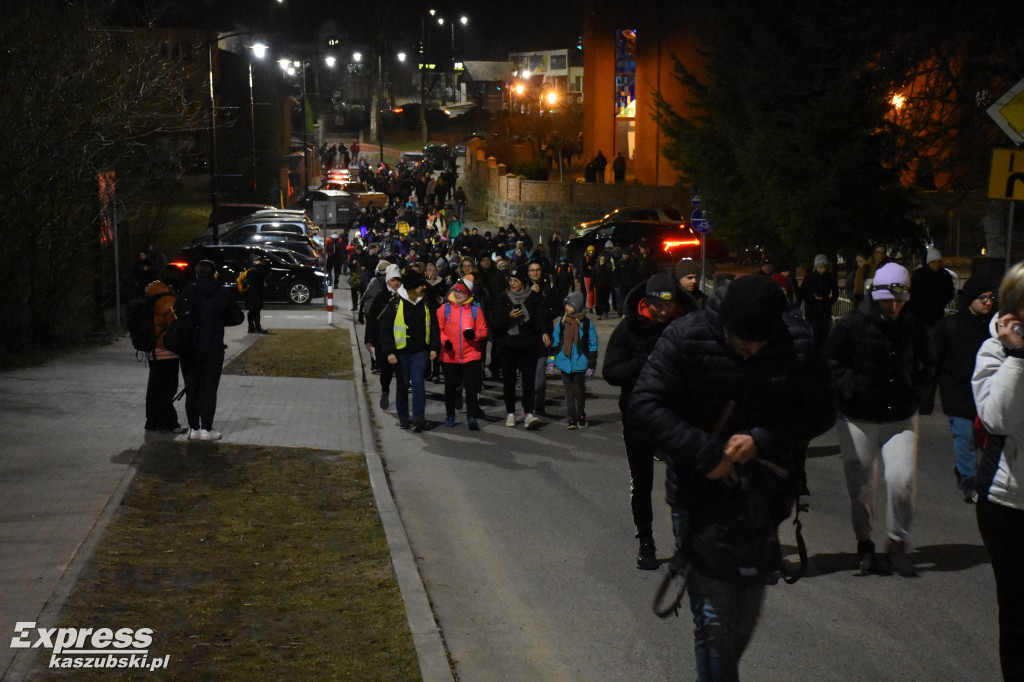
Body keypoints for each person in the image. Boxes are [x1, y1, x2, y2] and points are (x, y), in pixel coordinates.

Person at [630, 275, 835, 680]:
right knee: (715, 622)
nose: (752, 348)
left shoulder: (795, 340)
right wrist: (705, 453)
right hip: (698, 497)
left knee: (743, 615)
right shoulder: (685, 336)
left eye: (760, 341)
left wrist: (763, 440)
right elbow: (645, 403)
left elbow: (821, 409)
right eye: (743, 340)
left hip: (764, 497)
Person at [825, 262, 936, 577]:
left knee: (901, 481)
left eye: (901, 299)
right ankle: (865, 543)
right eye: (889, 299)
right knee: (861, 486)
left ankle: (897, 543)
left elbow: (929, 362)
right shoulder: (851, 324)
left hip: (900, 416)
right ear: (876, 295)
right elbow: (831, 361)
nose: (895, 305)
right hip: (858, 417)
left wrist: (918, 395)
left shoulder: (915, 325)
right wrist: (852, 388)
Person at [603, 273, 694, 568]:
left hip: (678, 416)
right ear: (648, 302)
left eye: (668, 305)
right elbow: (611, 372)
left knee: (685, 481)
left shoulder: (688, 325)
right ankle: (646, 541)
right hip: (639, 417)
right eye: (657, 305)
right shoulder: (630, 328)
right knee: (641, 482)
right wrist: (645, 362)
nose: (663, 311)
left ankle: (686, 544)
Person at [971, 261, 1024, 681]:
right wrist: (1017, 356)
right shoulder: (995, 351)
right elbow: (997, 419)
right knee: (1018, 611)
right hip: (1007, 501)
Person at [934, 278, 996, 503]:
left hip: (985, 391)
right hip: (956, 390)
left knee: (984, 438)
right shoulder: (950, 326)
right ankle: (970, 481)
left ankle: (971, 473)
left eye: (990, 298)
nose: (988, 302)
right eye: (983, 298)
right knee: (965, 435)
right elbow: (935, 360)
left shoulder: (994, 328)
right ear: (970, 300)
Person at [178, 259, 245, 440]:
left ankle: (193, 428)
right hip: (212, 347)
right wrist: (219, 321)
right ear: (214, 274)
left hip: (189, 348)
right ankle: (207, 429)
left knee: (192, 388)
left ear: (197, 274)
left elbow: (177, 315)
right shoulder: (221, 293)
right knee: (208, 389)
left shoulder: (188, 291)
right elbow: (238, 317)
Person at [377, 268, 440, 432]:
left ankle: (419, 417)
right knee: (403, 384)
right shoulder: (396, 304)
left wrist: (434, 347)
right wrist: (390, 351)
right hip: (400, 352)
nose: (424, 288)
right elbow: (385, 329)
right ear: (412, 287)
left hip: (420, 351)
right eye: (421, 285)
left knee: (418, 383)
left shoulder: (426, 302)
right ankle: (404, 416)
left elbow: (434, 326)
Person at [492, 266, 546, 429]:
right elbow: (495, 323)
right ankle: (511, 412)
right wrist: (508, 317)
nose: (513, 283)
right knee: (508, 380)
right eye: (511, 280)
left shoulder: (533, 297)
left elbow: (540, 318)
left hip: (527, 344)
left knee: (528, 380)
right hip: (508, 345)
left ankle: (529, 412)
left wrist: (544, 333)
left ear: (523, 282)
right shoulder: (503, 298)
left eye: (516, 281)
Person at [438, 279, 488, 430]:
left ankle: (471, 416)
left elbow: (483, 330)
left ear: (468, 294)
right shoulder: (444, 309)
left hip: (470, 355)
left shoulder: (475, 310)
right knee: (450, 388)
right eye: (456, 291)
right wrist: (444, 341)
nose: (458, 294)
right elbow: (439, 330)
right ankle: (450, 415)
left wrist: (474, 336)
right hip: (450, 356)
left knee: (471, 388)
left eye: (462, 291)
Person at [550, 292, 599, 429]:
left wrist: (592, 361)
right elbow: (555, 341)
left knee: (580, 391)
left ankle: (581, 415)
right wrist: (551, 359)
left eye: (569, 305)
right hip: (564, 362)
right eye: (566, 304)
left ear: (576, 306)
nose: (566, 307)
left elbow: (593, 343)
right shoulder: (562, 322)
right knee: (569, 391)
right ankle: (572, 417)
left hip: (580, 362)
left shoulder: (587, 324)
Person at [144, 274, 182, 433]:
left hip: (152, 350)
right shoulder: (168, 300)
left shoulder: (151, 293)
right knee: (167, 388)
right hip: (166, 351)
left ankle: (152, 422)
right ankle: (168, 423)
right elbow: (177, 324)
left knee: (154, 388)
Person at [365, 265, 403, 407]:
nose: (396, 283)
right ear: (388, 281)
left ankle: (401, 403)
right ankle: (385, 391)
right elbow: (372, 320)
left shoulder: (404, 297)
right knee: (386, 372)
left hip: (400, 341)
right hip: (383, 341)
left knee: (401, 374)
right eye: (393, 280)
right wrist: (369, 340)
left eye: (398, 280)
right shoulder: (381, 297)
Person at [909, 247, 955, 328]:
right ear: (928, 262)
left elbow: (949, 292)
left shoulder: (945, 275)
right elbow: (913, 292)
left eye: (939, 262)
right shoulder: (919, 275)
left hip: (938, 312)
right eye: (933, 262)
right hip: (920, 313)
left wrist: (940, 303)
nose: (936, 264)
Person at [799, 254, 839, 346]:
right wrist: (812, 298)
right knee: (814, 335)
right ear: (816, 267)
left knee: (824, 334)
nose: (822, 270)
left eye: (823, 267)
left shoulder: (830, 277)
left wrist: (828, 302)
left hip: (824, 310)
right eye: (820, 267)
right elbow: (803, 293)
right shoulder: (809, 278)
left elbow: (835, 293)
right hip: (812, 310)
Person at [242, 256, 269, 334]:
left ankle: (251, 327)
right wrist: (260, 265)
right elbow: (262, 275)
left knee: (251, 311)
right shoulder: (254, 271)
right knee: (256, 310)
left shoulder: (247, 270)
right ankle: (257, 327)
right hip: (255, 293)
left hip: (248, 293)